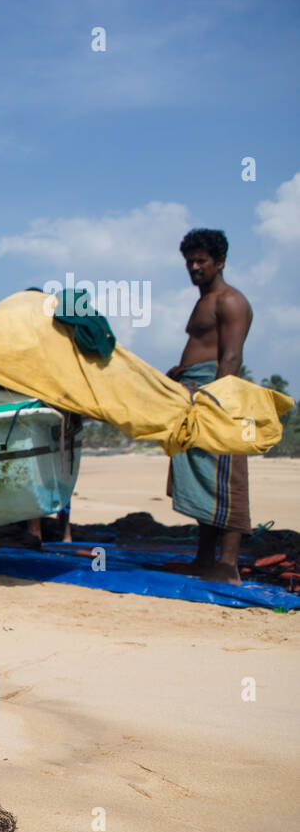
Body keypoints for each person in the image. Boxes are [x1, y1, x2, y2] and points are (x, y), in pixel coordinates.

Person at [163, 228, 253, 584]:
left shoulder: (230, 301)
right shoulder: (203, 301)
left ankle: (227, 566)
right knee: (203, 481)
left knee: (226, 479)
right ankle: (203, 560)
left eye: (202, 260)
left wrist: (216, 404)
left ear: (220, 262)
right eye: (190, 261)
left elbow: (230, 357)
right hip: (193, 390)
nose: (195, 267)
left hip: (218, 396)